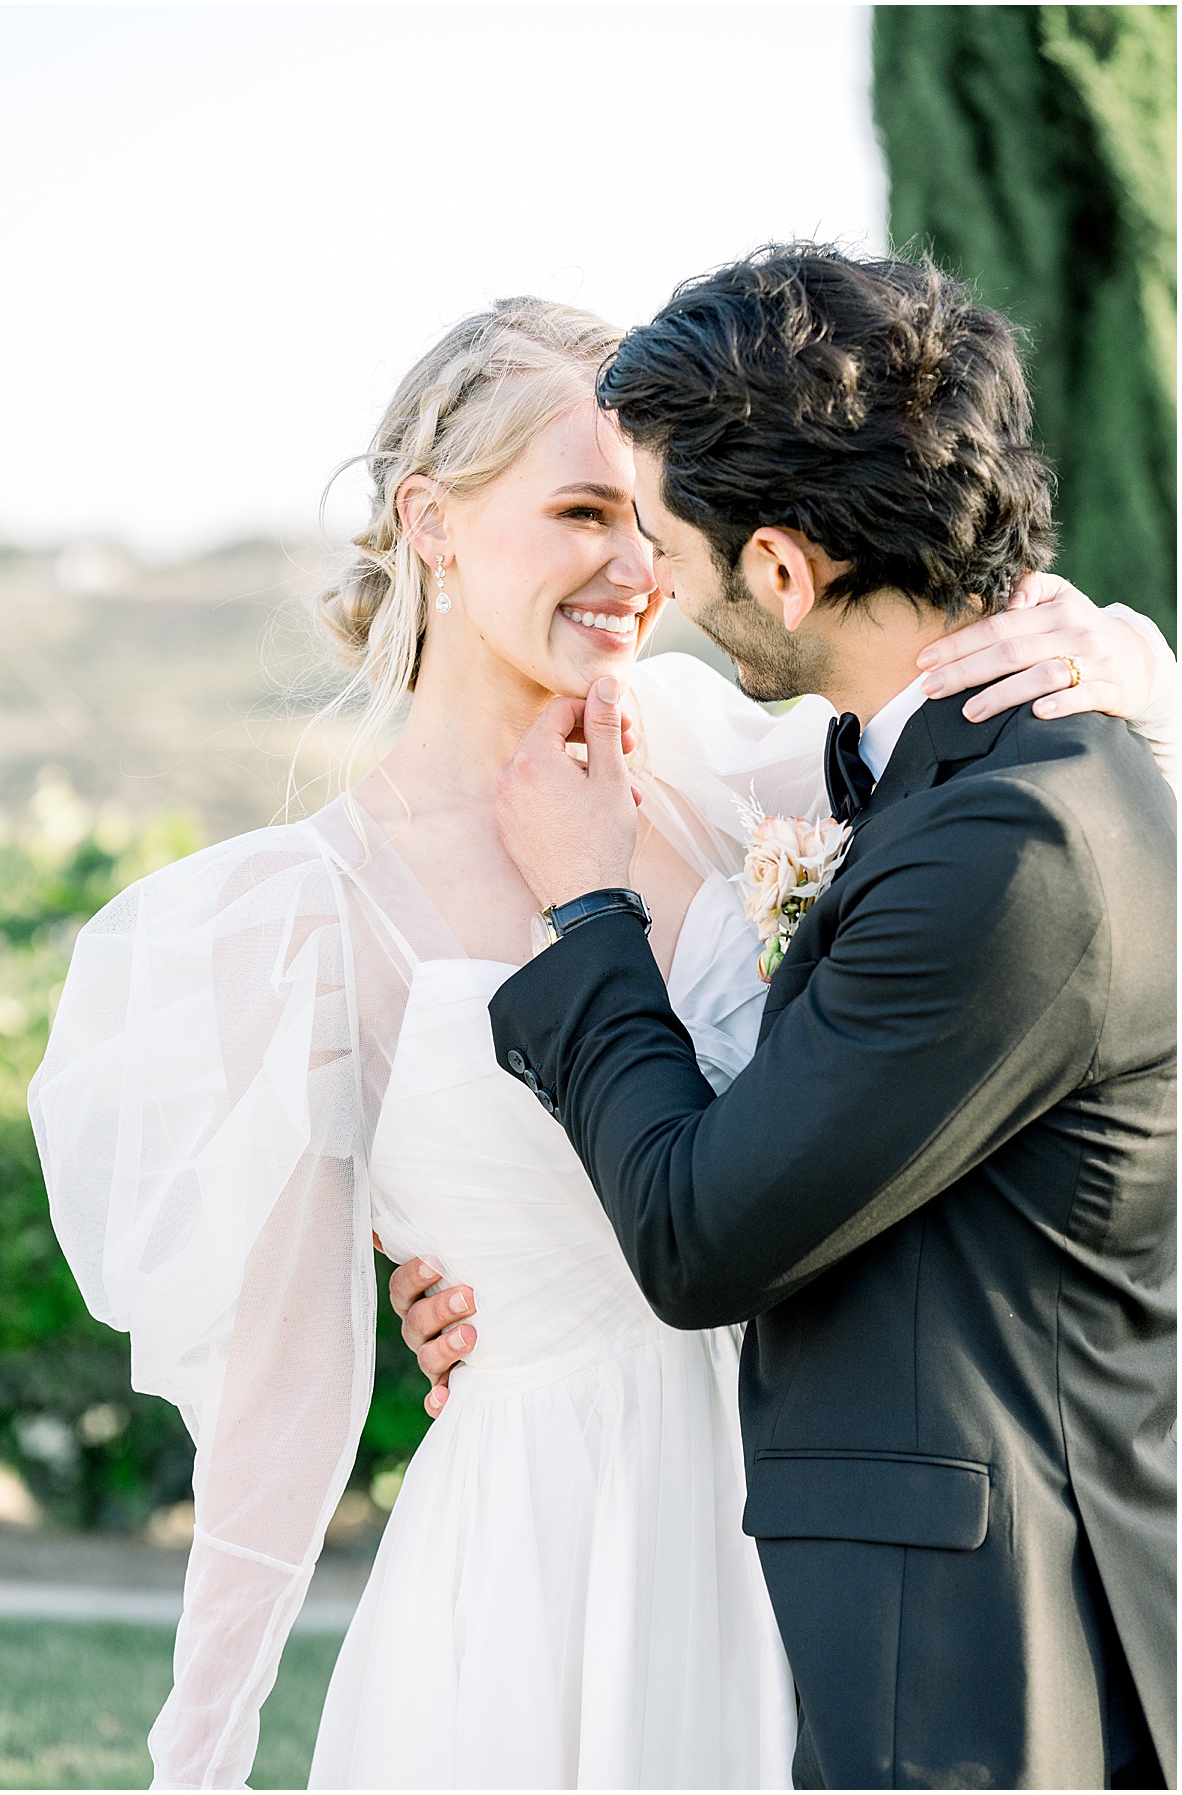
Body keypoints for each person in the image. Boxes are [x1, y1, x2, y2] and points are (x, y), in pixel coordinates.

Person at [29, 291, 1172, 1792]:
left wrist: (1113, 656)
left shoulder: (744, 766)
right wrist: (202, 1749)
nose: (640, 572)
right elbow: (280, 1413)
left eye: (651, 520)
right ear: (432, 522)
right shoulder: (294, 917)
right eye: (583, 511)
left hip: (826, 1539)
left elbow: (976, 776)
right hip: (537, 1556)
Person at [473, 249, 1177, 1791]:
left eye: (668, 539)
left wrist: (590, 915)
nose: (654, 588)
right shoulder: (981, 767)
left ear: (783, 572)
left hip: (990, 1658)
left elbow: (699, 1236)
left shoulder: (1012, 844)